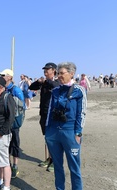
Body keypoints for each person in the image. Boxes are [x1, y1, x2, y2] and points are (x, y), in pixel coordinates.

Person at [45, 62, 87, 190]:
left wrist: (78, 133)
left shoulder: (79, 90)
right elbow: (49, 112)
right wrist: (47, 131)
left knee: (74, 168)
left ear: (72, 73)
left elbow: (82, 112)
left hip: (70, 132)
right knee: (57, 166)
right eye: (58, 73)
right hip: (53, 132)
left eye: (62, 73)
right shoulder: (55, 90)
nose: (59, 76)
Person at [29, 62, 60, 172]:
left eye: (48, 69)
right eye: (45, 69)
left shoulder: (56, 81)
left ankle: (55, 161)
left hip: (53, 114)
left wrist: (47, 81)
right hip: (43, 113)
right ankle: (49, 158)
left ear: (54, 70)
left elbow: (57, 87)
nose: (45, 71)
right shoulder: (44, 82)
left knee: (53, 138)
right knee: (47, 137)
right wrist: (38, 81)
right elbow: (31, 87)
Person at [0, 69, 25, 178]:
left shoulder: (16, 90)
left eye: (3, 75)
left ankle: (15, 166)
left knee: (14, 143)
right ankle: (7, 165)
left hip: (13, 122)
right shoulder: (2, 89)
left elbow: (21, 106)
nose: (2, 77)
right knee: (5, 144)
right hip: (4, 121)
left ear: (9, 77)